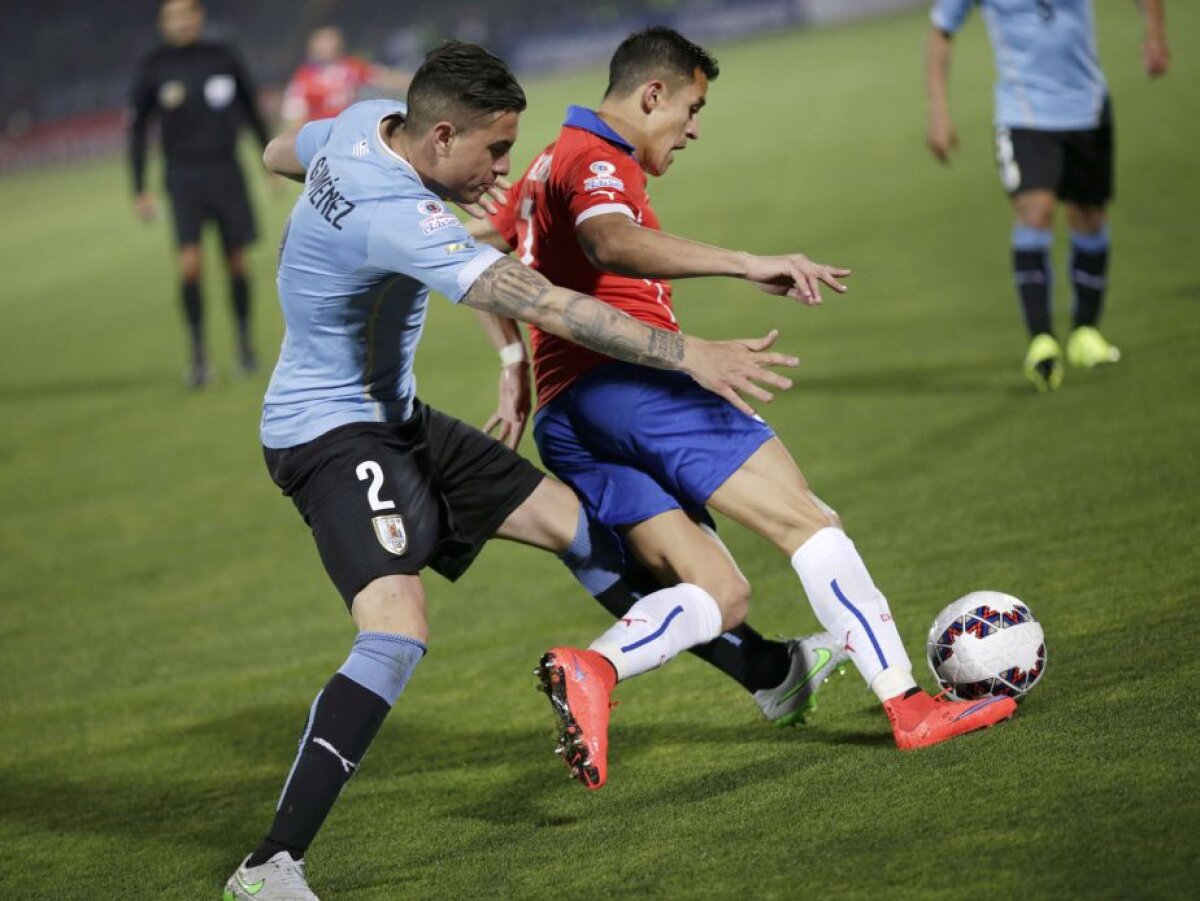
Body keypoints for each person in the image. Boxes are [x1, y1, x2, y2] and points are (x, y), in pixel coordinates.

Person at [223, 41, 798, 900]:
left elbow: (281, 151)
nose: (502, 169)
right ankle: (268, 864)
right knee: (395, 630)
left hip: (399, 417)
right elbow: (549, 303)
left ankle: (771, 674)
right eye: (494, 151)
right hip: (330, 435)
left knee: (579, 526)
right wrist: (690, 354)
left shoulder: (360, 126)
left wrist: (335, 201)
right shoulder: (397, 214)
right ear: (441, 135)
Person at [468, 27, 1018, 792]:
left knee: (720, 594)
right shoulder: (595, 157)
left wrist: (513, 366)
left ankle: (594, 667)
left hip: (568, 420)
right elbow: (609, 243)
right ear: (651, 95)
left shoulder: (540, 165)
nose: (693, 128)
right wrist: (746, 262)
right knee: (809, 522)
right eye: (690, 109)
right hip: (636, 384)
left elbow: (472, 259)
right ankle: (911, 707)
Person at [925, 0, 1170, 392]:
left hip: (1088, 106)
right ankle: (1041, 340)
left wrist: (1155, 35)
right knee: (1035, 212)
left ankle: (1086, 332)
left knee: (1089, 218)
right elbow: (941, 31)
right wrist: (939, 111)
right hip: (1024, 116)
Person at [129, 0, 269, 387]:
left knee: (237, 262)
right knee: (189, 265)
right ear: (163, 23)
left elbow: (250, 109)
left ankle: (244, 348)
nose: (182, 22)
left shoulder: (222, 56)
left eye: (187, 14)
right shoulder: (154, 66)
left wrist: (269, 159)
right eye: (173, 16)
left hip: (226, 170)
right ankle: (198, 355)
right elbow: (138, 129)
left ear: (199, 17)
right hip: (182, 176)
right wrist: (140, 188)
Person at [280, 25, 412, 128]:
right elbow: (294, 113)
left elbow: (385, 77)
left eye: (333, 39)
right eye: (325, 40)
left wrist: (415, 83)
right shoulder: (304, 77)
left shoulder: (352, 67)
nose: (332, 44)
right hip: (321, 131)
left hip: (348, 127)